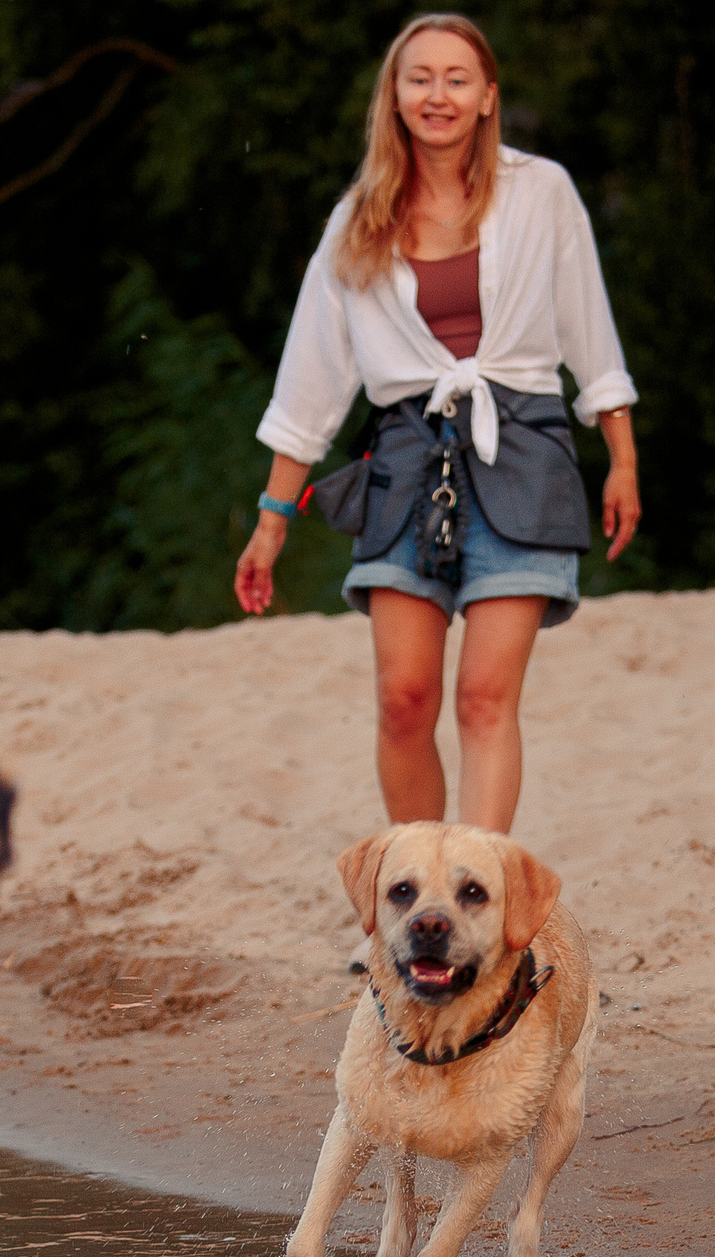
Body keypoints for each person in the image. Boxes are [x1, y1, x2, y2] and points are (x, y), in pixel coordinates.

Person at [233, 13, 640, 835]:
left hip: (522, 450)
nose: (438, 94)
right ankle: (417, 899)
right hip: (408, 458)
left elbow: (589, 330)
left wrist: (622, 458)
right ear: (395, 96)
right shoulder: (356, 223)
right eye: (419, 78)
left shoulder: (542, 193)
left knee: (485, 698)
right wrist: (272, 520)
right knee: (403, 699)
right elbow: (310, 382)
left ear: (488, 96)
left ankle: (480, 912)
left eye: (457, 78)